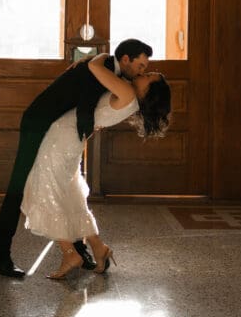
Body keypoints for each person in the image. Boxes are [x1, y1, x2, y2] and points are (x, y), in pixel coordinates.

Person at [0, 38, 153, 278]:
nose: (142, 71)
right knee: (19, 185)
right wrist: (88, 129)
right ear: (126, 60)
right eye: (140, 66)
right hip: (39, 122)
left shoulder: (111, 71)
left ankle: (80, 251)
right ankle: (0, 257)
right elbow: (86, 109)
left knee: (68, 187)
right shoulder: (105, 67)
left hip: (60, 131)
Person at [21, 53, 171, 279]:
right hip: (70, 139)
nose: (142, 73)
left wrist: (100, 55)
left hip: (62, 139)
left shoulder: (127, 92)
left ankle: (70, 253)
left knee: (46, 190)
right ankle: (99, 248)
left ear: (149, 91)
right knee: (69, 195)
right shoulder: (130, 100)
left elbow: (94, 67)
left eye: (148, 76)